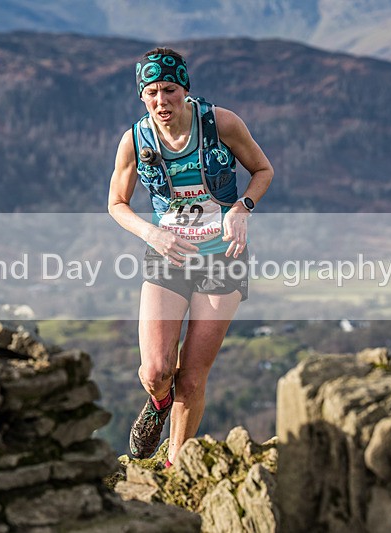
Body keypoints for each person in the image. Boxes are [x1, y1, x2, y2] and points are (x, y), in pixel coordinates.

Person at [107, 47, 273, 466]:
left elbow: (263, 170)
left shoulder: (222, 123)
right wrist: (152, 233)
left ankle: (174, 466)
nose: (161, 100)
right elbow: (116, 203)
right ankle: (158, 403)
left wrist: (242, 209)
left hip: (223, 258)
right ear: (141, 96)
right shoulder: (134, 140)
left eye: (169, 89)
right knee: (155, 371)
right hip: (168, 255)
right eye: (151, 93)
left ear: (185, 89)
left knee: (192, 378)